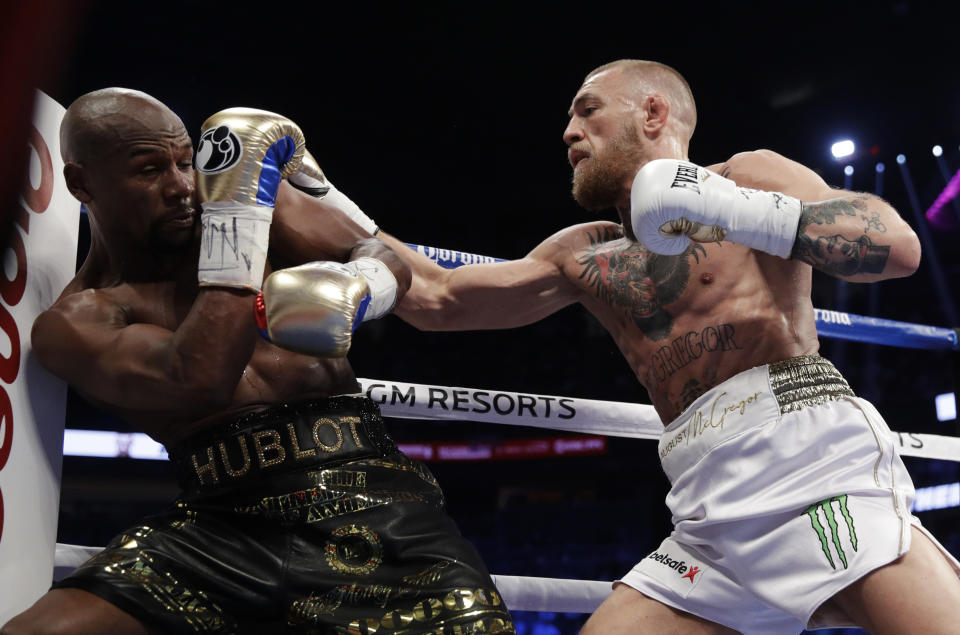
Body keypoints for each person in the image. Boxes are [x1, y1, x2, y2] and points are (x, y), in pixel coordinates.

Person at [369, 60, 960, 633]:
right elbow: (440, 297)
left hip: (810, 464)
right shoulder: (582, 252)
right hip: (704, 511)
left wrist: (724, 207)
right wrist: (315, 196)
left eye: (588, 111)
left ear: (653, 112)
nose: (569, 132)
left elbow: (895, 248)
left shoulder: (744, 177)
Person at [1, 89, 514, 635]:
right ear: (81, 185)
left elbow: (379, 250)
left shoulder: (261, 211)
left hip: (372, 494)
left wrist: (359, 284)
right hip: (221, 526)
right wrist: (236, 224)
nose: (180, 187)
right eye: (149, 170)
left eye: (184, 161)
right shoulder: (75, 322)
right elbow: (200, 375)